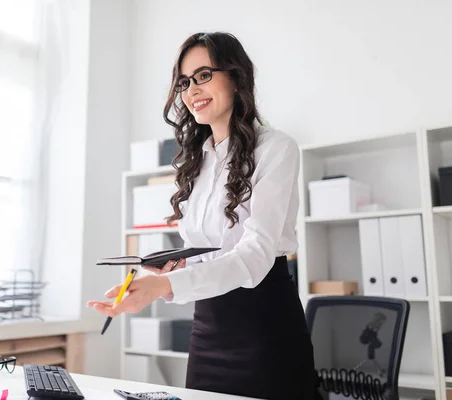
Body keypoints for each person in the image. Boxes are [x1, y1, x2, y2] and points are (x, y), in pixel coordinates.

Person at [88, 32, 319, 400]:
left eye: (204, 75)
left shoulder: (277, 148)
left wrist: (162, 287)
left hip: (264, 327)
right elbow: (202, 248)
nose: (191, 89)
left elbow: (255, 254)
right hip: (208, 328)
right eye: (183, 82)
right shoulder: (194, 161)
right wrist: (168, 269)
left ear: (236, 76)